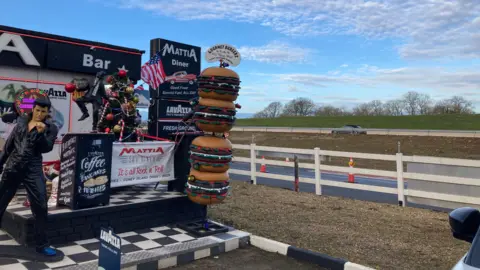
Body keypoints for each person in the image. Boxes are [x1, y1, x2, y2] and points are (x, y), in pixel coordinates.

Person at [0, 97, 58, 256]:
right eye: (38, 110)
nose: (39, 114)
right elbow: (9, 146)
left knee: (40, 204)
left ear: (47, 113)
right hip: (13, 167)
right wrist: (0, 163)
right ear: (33, 109)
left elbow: (46, 148)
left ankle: (42, 244)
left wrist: (40, 134)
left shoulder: (50, 128)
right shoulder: (20, 123)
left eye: (43, 112)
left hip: (33, 169)